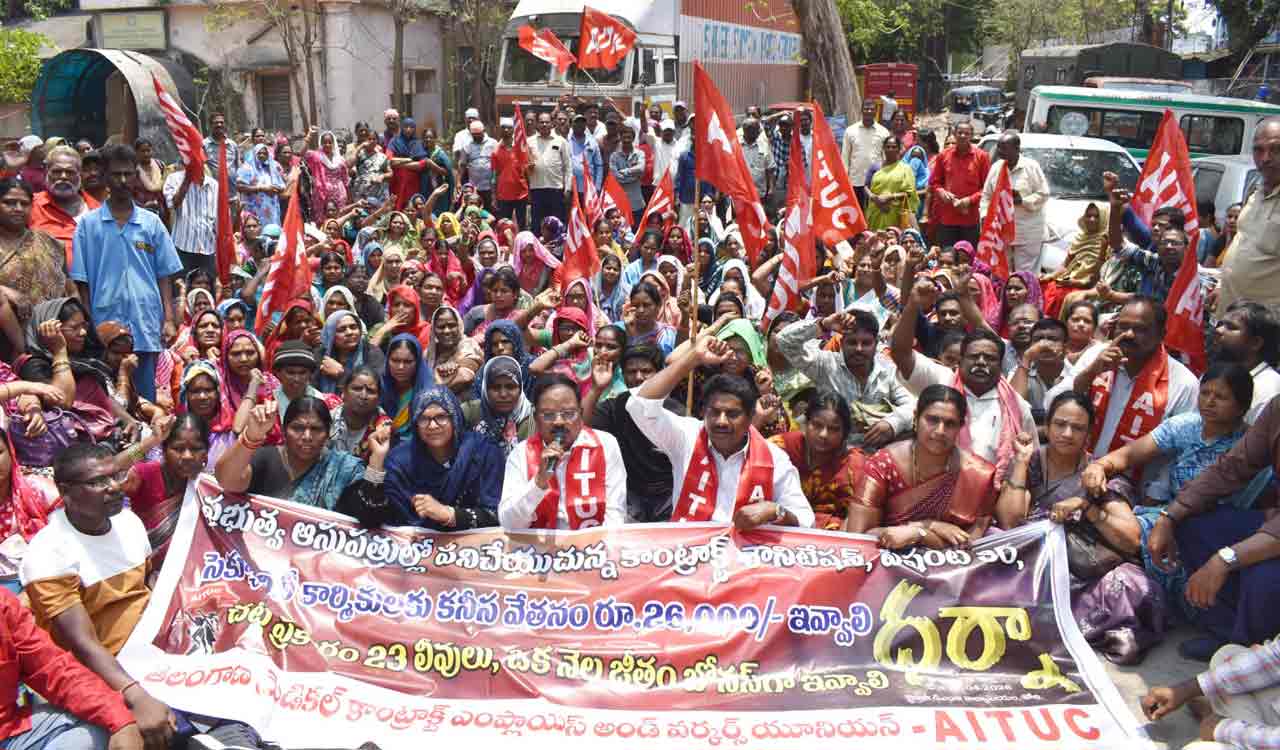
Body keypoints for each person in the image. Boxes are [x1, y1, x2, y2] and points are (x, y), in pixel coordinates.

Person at [22, 443, 264, 750]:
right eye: (97, 482)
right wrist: (135, 694)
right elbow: (84, 646)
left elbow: (147, 585)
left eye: (117, 476)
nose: (113, 488)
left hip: (154, 656)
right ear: (65, 490)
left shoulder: (128, 522)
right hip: (103, 673)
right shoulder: (49, 552)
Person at [1084, 364, 1257, 650]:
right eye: (1206, 393)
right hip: (1171, 515)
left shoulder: (1249, 443)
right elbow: (1129, 454)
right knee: (1113, 505)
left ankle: (1214, 626)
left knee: (1133, 536)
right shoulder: (1187, 426)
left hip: (1222, 527)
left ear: (1242, 405)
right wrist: (1101, 466)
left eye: (1221, 397)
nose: (1209, 402)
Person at [998, 392, 1159, 664]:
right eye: (1060, 424)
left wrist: (1088, 509)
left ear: (1088, 433)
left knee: (1134, 586)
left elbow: (1132, 541)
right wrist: (1021, 464)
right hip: (1036, 565)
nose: (1067, 433)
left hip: (1084, 570)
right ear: (1047, 426)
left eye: (1077, 427)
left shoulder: (1098, 474)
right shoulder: (1030, 462)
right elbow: (1009, 522)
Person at [627, 336, 815, 528]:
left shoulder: (774, 457)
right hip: (692, 550)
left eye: (732, 414)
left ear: (750, 417)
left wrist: (774, 511)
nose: (721, 421)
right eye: (714, 412)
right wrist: (694, 357)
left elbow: (806, 520)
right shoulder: (686, 436)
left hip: (747, 553)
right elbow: (639, 405)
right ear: (703, 412)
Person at [1048, 296, 1199, 496]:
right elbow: (1052, 403)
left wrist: (1154, 496)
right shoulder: (1097, 354)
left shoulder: (1183, 383)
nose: (1128, 334)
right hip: (1072, 476)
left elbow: (1178, 452)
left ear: (1162, 334)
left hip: (1133, 494)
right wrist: (1091, 372)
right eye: (1123, 326)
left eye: (1140, 329)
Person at [891, 279, 1036, 482]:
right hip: (934, 490)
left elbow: (1031, 460)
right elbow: (900, 353)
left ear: (1000, 363)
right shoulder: (942, 380)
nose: (982, 363)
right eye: (974, 357)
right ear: (962, 359)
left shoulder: (1017, 407)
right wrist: (913, 305)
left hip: (991, 498)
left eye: (990, 358)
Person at [71, 145, 181, 406]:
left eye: (128, 174)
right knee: (109, 401)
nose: (122, 181)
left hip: (145, 324)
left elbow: (164, 276)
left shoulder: (151, 223)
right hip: (104, 329)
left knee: (145, 401)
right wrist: (88, 326)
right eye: (116, 174)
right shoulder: (87, 225)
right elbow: (82, 283)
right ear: (105, 176)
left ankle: (149, 447)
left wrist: (168, 319)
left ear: (135, 176)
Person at [845, 384, 997, 548]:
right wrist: (924, 528)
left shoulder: (978, 474)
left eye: (950, 424)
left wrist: (919, 532)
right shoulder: (883, 465)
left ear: (961, 426)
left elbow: (968, 545)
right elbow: (859, 536)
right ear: (916, 418)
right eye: (932, 420)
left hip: (948, 568)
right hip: (884, 562)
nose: (940, 431)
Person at [0, 585, 144, 750]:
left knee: (103, 725)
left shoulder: (4, 604)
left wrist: (120, 720)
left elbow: (53, 668)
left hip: (8, 732)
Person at [216, 396, 389, 511]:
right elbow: (227, 481)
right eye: (298, 428)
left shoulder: (343, 469)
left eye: (316, 429)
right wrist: (251, 436)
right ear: (284, 431)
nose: (307, 437)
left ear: (328, 433)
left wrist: (376, 464)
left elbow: (368, 515)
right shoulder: (266, 458)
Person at [499, 374, 627, 529]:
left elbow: (615, 515)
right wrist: (538, 482)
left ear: (580, 413)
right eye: (548, 415)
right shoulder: (521, 454)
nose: (559, 421)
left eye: (568, 413)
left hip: (594, 546)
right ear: (535, 417)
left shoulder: (605, 444)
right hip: (539, 550)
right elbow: (509, 524)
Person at [776, 309, 913, 449]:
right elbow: (784, 341)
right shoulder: (825, 365)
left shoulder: (889, 371)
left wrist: (892, 423)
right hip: (833, 456)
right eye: (852, 342)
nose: (859, 349)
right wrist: (823, 324)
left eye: (866, 343)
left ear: (876, 343)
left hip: (877, 457)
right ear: (841, 343)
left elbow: (913, 406)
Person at [768, 390, 864, 531]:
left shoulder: (855, 466)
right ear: (806, 424)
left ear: (845, 433)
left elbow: (863, 517)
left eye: (833, 429)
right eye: (817, 425)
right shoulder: (781, 447)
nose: (823, 434)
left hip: (833, 538)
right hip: (779, 528)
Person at [1213, 117, 1280, 311]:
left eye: (1276, 149)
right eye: (1259, 150)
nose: (1266, 158)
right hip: (1230, 314)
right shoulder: (1255, 191)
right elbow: (1242, 241)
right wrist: (1222, 284)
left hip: (1266, 328)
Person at [0, 177, 71, 333]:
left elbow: (70, 289)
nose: (18, 208)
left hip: (51, 334)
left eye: (24, 203)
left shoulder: (51, 244)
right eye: (9, 202)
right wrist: (4, 291)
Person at [980, 131, 1049, 273]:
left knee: (1025, 275)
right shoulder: (996, 168)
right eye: (998, 147)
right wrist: (984, 216)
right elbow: (986, 196)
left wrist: (1022, 201)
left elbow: (1044, 193)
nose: (999, 151)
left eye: (1004, 148)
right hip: (1000, 232)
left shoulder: (1031, 166)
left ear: (1017, 148)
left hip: (1027, 233)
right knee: (1002, 273)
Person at [28, 146, 98, 270]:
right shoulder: (31, 205)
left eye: (70, 172)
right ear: (46, 172)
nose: (63, 176)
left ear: (79, 174)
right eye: (57, 171)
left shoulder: (97, 209)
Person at [1211, 300, 1280, 423]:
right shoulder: (1218, 370)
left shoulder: (1269, 390)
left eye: (1231, 327)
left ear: (1256, 343)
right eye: (1221, 324)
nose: (1219, 330)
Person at [927, 120, 990, 247]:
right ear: (954, 134)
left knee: (967, 259)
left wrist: (969, 200)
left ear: (972, 136)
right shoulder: (943, 155)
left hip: (970, 219)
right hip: (947, 219)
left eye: (966, 133)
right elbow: (934, 182)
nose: (963, 136)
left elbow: (987, 188)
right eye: (960, 133)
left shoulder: (982, 157)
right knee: (946, 256)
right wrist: (941, 192)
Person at [1040, 203, 1109, 318]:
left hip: (1085, 287)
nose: (1091, 219)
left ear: (1104, 219)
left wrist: (1075, 282)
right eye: (1088, 216)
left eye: (1097, 216)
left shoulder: (1107, 242)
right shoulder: (1079, 238)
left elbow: (1096, 279)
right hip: (1066, 281)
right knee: (1039, 285)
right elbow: (1065, 265)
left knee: (1062, 296)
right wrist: (1050, 276)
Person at [163, 155, 219, 278]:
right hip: (183, 247)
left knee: (207, 290)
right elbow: (172, 204)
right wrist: (187, 179)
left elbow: (218, 218)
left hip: (208, 247)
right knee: (182, 288)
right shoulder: (174, 179)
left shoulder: (214, 185)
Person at [1010, 318, 1069, 421]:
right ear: (1030, 345)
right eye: (1038, 339)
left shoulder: (1075, 374)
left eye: (1052, 339)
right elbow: (1012, 410)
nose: (1044, 345)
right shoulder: (1020, 371)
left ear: (1065, 346)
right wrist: (1027, 357)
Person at [315, 309, 385, 394]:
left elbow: (375, 387)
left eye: (353, 327)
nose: (349, 332)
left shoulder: (372, 353)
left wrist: (342, 375)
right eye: (341, 329)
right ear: (331, 334)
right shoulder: (321, 355)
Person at [528, 112, 572, 232]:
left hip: (556, 189)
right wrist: (527, 166)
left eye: (547, 122)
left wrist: (567, 189)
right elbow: (523, 164)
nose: (544, 124)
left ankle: (558, 248)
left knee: (557, 223)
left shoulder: (561, 141)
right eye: (541, 122)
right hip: (537, 189)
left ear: (552, 124)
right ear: (537, 124)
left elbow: (568, 167)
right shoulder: (529, 141)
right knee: (537, 223)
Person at [863, 135, 918, 230]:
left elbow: (909, 193)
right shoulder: (875, 167)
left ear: (899, 149)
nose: (890, 149)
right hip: (875, 210)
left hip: (896, 212)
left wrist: (890, 197)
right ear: (883, 148)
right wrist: (874, 198)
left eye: (893, 147)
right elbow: (865, 186)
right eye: (888, 147)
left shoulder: (905, 169)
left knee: (893, 238)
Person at [843, 99, 889, 208]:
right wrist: (845, 181)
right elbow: (845, 157)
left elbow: (886, 158)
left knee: (873, 216)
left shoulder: (884, 132)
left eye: (871, 109)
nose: (869, 111)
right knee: (857, 216)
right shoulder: (850, 131)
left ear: (875, 111)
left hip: (876, 183)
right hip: (855, 182)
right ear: (861, 111)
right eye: (866, 109)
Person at [236, 143, 285, 228]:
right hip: (253, 210)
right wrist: (261, 188)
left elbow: (282, 185)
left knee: (271, 233)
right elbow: (239, 186)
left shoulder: (271, 168)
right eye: (259, 153)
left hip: (271, 210)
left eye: (265, 153)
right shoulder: (247, 167)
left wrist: (275, 189)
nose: (262, 155)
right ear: (254, 153)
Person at [492, 117, 529, 228]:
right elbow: (494, 175)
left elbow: (526, 171)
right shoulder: (496, 151)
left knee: (522, 224)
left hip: (521, 194)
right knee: (504, 226)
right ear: (500, 130)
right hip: (503, 195)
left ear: (513, 130)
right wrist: (494, 196)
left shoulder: (520, 148)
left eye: (509, 128)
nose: (506, 130)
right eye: (503, 128)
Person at [202, 112, 240, 215]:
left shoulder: (232, 145)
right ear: (210, 125)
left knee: (232, 228)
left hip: (232, 196)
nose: (219, 125)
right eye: (216, 123)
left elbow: (237, 167)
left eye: (221, 122)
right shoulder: (204, 145)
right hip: (213, 197)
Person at [303, 129, 350, 214]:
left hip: (339, 195)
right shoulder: (316, 157)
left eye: (329, 142)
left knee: (339, 219)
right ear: (321, 144)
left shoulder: (341, 160)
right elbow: (302, 153)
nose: (327, 145)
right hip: (322, 196)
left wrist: (349, 197)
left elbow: (346, 180)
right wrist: (308, 136)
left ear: (333, 143)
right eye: (324, 142)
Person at [459, 121, 499, 209]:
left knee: (491, 210)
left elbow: (498, 164)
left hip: (490, 187)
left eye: (478, 134)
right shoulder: (467, 145)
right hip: (474, 187)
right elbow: (462, 165)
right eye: (474, 134)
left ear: (483, 131)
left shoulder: (493, 143)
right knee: (474, 210)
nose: (476, 136)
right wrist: (458, 182)